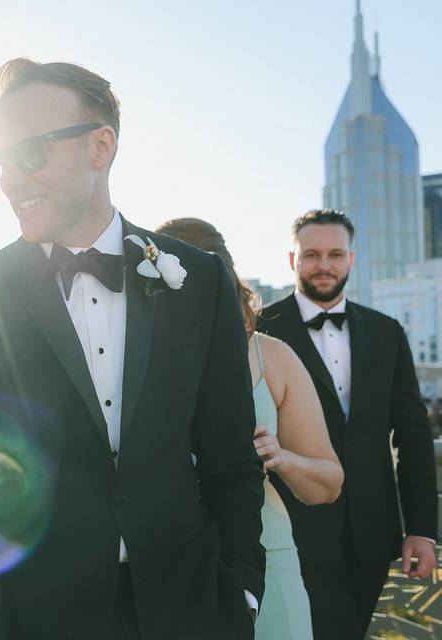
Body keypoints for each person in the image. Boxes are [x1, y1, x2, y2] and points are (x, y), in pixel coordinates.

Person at [0, 58, 265, 639]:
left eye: (29, 152)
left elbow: (230, 456)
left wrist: (242, 591)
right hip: (39, 615)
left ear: (100, 146)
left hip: (187, 604)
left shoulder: (199, 280)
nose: (11, 178)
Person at [157, 217, 344, 639]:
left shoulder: (272, 356)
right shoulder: (130, 362)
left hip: (269, 568)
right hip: (163, 571)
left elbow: (328, 483)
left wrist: (281, 457)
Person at [258, 209, 438, 639]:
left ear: (351, 260)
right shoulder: (261, 328)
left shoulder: (387, 331)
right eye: (312, 254)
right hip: (292, 528)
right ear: (292, 259)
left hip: (376, 531)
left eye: (336, 254)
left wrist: (422, 530)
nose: (324, 265)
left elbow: (412, 436)